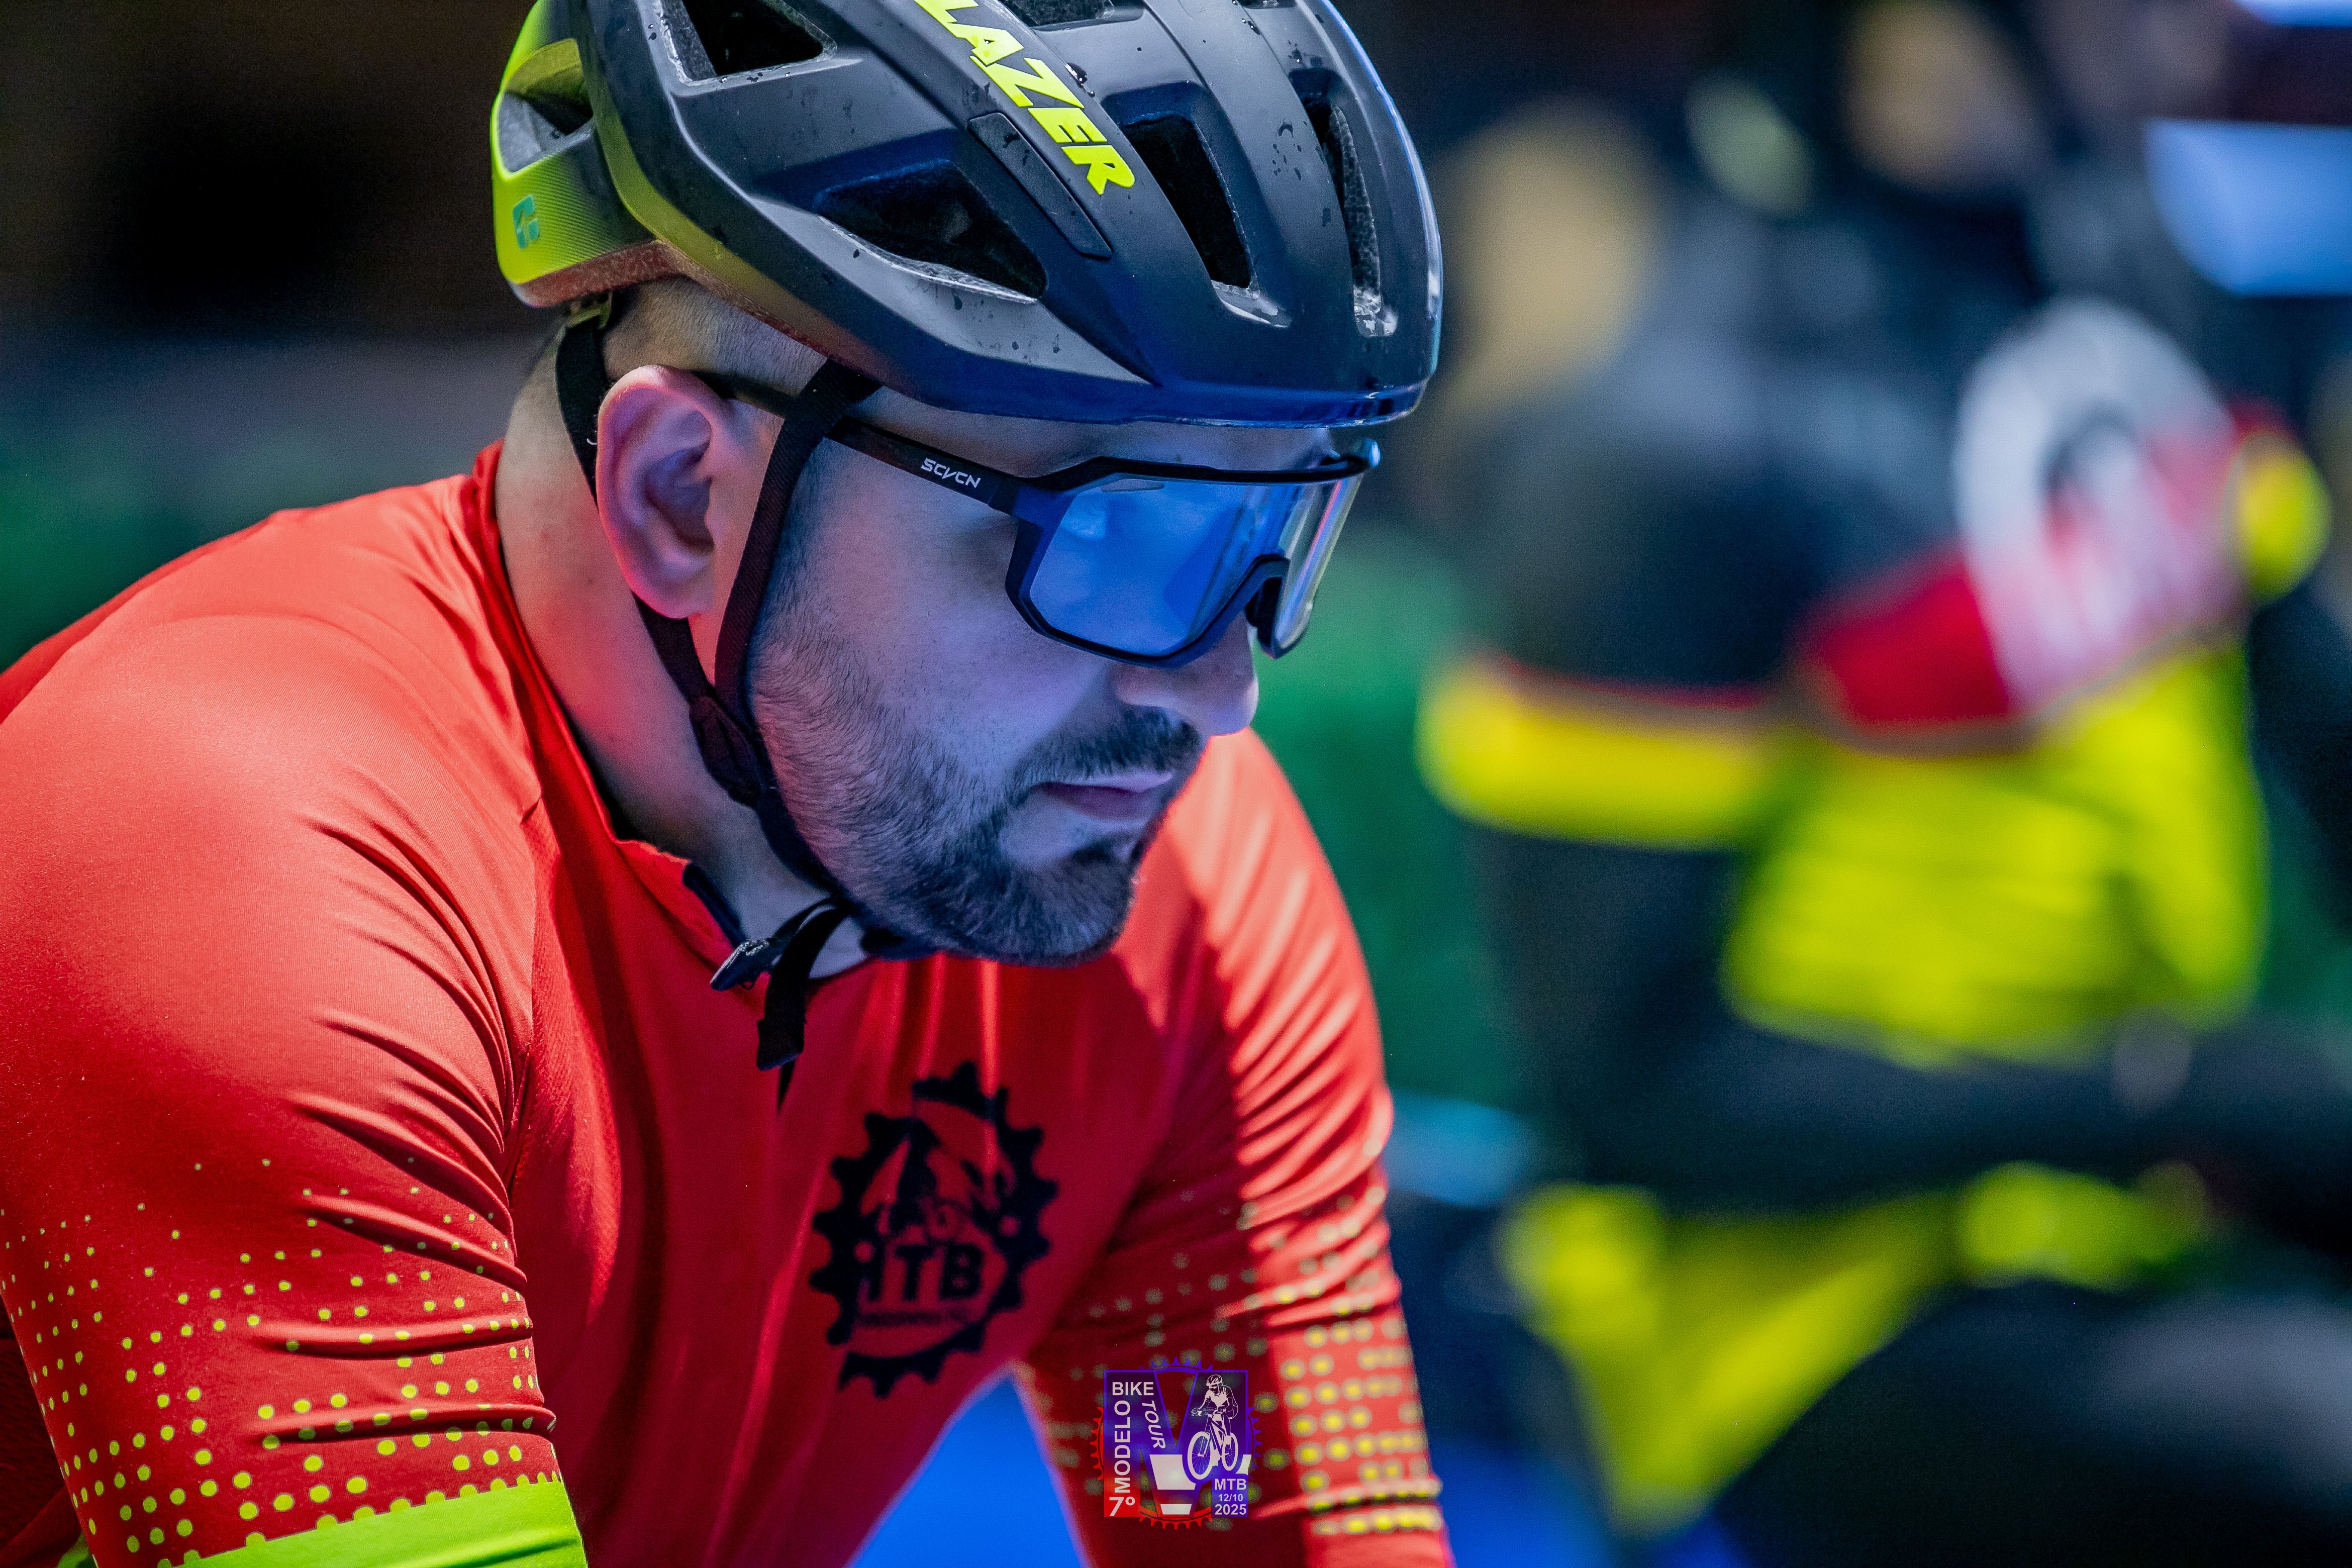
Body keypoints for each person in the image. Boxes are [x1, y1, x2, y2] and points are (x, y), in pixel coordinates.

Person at [0, 0, 1448, 1563]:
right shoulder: (224, 855)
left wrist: (1198, 1501)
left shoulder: (1176, 904)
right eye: (1125, 540)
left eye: (1277, 537)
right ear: (683, 493)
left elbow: (1213, 1512)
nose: (1223, 695)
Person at [1417, 1, 2352, 1563]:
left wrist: (2198, 1111)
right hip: (1798, 1323)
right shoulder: (1664, 453)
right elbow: (1636, 1093)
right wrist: (2162, 1096)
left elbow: (2319, 716)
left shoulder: (2151, 277)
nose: (2224, 16)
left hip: (2139, 1204)